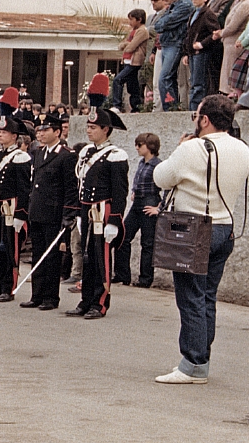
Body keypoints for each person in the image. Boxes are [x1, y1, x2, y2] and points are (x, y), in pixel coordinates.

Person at [152, 94, 249, 383]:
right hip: (225, 227)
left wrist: (180, 148)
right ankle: (201, 357)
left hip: (193, 228)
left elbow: (161, 177)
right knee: (207, 296)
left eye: (196, 116)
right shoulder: (242, 149)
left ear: (205, 119)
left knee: (191, 298)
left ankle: (193, 364)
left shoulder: (193, 148)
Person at [67, 109, 130, 319]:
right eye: (88, 127)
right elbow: (80, 184)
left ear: (106, 129)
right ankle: (85, 300)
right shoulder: (86, 152)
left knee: (101, 259)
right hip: (86, 210)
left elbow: (120, 191)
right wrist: (78, 211)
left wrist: (114, 220)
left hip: (103, 211)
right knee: (86, 257)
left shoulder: (115, 155)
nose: (89, 131)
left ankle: (100, 303)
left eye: (93, 127)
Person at [21, 112, 77, 311]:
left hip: (54, 213)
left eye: (45, 130)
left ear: (57, 131)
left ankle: (50, 297)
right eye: (39, 130)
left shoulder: (66, 155)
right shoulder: (38, 153)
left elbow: (71, 187)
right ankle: (37, 294)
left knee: (51, 256)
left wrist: (69, 214)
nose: (41, 134)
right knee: (37, 254)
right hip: (37, 210)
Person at [0, 104, 33, 303]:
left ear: (14, 136)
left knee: (10, 248)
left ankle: (8, 287)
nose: (0, 135)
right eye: (0, 131)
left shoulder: (21, 157)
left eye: (5, 132)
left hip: (12, 207)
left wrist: (21, 213)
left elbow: (23, 188)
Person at [118, 132, 161, 288]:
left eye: (140, 145)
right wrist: (135, 191)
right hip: (138, 202)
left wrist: (159, 208)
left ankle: (145, 279)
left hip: (149, 202)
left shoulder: (158, 165)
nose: (136, 147)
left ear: (149, 146)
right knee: (123, 236)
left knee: (147, 243)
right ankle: (123, 275)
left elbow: (168, 188)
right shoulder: (142, 162)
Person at [150, 0, 194, 111]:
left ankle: (170, 108)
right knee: (168, 79)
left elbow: (164, 23)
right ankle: (172, 107)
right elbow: (160, 22)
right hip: (167, 43)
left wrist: (161, 24)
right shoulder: (174, 5)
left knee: (164, 78)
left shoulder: (185, 5)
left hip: (175, 44)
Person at [213, 0, 249, 96]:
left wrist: (220, 33)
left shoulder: (247, 3)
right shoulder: (238, 2)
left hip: (236, 43)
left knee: (231, 78)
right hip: (229, 43)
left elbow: (233, 25)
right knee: (226, 76)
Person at [182, 0, 221, 110]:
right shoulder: (194, 12)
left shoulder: (208, 14)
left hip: (202, 52)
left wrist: (202, 44)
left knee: (199, 83)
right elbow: (189, 34)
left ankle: (196, 109)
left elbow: (215, 33)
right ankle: (193, 108)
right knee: (193, 81)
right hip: (193, 52)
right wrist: (186, 53)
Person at [111, 9, 150, 112]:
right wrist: (126, 44)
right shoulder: (133, 31)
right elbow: (125, 44)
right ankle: (136, 106)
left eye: (132, 19)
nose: (130, 22)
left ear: (139, 19)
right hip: (128, 60)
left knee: (118, 80)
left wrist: (127, 45)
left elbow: (131, 46)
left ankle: (117, 105)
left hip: (135, 61)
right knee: (132, 85)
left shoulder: (142, 31)